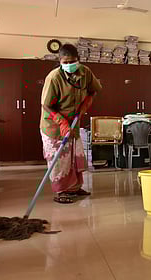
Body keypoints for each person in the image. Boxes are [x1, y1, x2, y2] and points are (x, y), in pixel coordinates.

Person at [40, 44, 102, 204]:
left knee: (74, 156)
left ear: (78, 60)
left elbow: (94, 89)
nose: (69, 65)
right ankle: (61, 191)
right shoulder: (54, 78)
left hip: (73, 121)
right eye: (65, 62)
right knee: (60, 158)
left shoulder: (85, 72)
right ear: (60, 61)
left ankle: (74, 188)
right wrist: (61, 122)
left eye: (73, 61)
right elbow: (46, 105)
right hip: (53, 125)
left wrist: (86, 103)